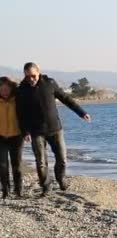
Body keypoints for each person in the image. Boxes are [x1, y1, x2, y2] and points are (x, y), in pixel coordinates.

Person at [16, 62, 92, 196]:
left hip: (55, 129)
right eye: (27, 77)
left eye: (33, 76)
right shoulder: (22, 89)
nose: (31, 79)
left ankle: (61, 178)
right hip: (36, 131)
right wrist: (24, 132)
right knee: (40, 162)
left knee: (62, 158)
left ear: (39, 72)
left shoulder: (49, 83)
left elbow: (66, 99)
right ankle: (46, 187)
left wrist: (81, 113)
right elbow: (20, 114)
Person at [0, 77, 25, 199]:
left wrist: (27, 132)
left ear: (11, 89)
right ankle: (5, 190)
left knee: (17, 165)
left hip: (16, 137)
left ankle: (18, 190)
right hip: (1, 138)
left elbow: (25, 117)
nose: (4, 92)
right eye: (1, 89)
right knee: (2, 166)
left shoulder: (18, 100)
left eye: (6, 89)